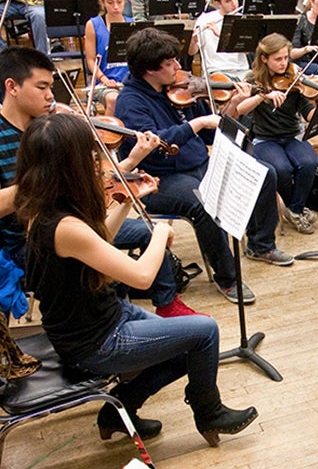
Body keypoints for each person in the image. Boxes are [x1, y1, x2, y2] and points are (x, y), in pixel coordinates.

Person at [17, 112, 258, 445]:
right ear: (69, 165)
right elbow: (143, 277)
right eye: (91, 155)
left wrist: (127, 201)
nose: (99, 162)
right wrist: (158, 232)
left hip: (103, 317)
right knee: (205, 331)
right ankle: (210, 413)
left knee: (186, 347)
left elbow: (98, 245)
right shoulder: (65, 226)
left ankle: (120, 410)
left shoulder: (43, 209)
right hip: (94, 342)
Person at [0, 47, 200, 320]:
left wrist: (131, 161)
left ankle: (166, 304)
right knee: (112, 274)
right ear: (11, 87)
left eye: (51, 86)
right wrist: (48, 175)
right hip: (28, 244)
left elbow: (91, 177)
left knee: (146, 230)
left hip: (73, 222)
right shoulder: (32, 135)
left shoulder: (50, 125)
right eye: (42, 87)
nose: (50, 96)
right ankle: (112, 321)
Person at [115, 28, 294, 305]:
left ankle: (260, 245)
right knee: (203, 202)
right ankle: (228, 277)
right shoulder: (130, 102)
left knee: (264, 173)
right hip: (159, 178)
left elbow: (214, 133)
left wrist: (233, 105)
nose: (178, 66)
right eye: (170, 63)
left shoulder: (181, 89)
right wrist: (195, 124)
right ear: (149, 70)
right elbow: (154, 147)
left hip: (200, 164)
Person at [235, 34, 318, 235]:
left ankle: (294, 210)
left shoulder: (294, 80)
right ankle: (296, 209)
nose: (284, 64)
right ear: (264, 59)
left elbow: (307, 112)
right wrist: (263, 95)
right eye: (278, 59)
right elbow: (240, 109)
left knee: (309, 162)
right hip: (265, 140)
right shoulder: (253, 80)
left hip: (291, 136)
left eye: (286, 58)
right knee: (281, 169)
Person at [84, 0, 132, 115]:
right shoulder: (93, 24)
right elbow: (91, 60)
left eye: (119, 2)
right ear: (103, 3)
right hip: (105, 82)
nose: (116, 7)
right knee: (113, 100)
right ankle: (109, 134)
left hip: (129, 80)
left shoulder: (132, 23)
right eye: (110, 2)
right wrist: (104, 79)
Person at [189, 0, 250, 81]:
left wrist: (222, 36)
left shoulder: (242, 19)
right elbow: (192, 52)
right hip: (217, 71)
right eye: (228, 1)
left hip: (242, 70)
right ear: (218, 4)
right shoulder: (205, 19)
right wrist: (193, 42)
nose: (234, 3)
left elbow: (247, 51)